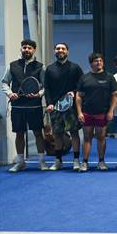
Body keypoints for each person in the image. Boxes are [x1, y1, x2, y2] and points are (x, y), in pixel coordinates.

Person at [1, 39, 47, 172]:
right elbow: (4, 82)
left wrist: (39, 94)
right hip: (17, 107)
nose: (26, 50)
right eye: (24, 47)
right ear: (21, 49)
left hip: (35, 106)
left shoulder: (40, 66)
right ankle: (20, 162)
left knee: (38, 133)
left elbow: (45, 85)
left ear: (34, 50)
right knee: (19, 134)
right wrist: (10, 93)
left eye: (29, 48)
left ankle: (42, 162)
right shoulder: (12, 65)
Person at [76, 52, 117, 172]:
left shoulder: (109, 77)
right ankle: (84, 162)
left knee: (101, 137)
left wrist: (111, 111)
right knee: (87, 137)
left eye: (100, 61)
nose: (99, 63)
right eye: (96, 61)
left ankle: (101, 162)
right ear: (91, 64)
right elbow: (78, 96)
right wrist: (79, 112)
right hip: (87, 113)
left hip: (102, 113)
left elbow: (115, 95)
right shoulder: (84, 78)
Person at [43, 42, 84, 170]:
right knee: (57, 134)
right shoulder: (50, 69)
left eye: (63, 48)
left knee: (74, 133)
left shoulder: (75, 68)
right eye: (58, 48)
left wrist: (74, 92)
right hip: (55, 108)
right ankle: (58, 161)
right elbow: (47, 88)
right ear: (54, 51)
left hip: (71, 107)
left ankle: (76, 161)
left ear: (67, 51)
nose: (60, 50)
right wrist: (49, 103)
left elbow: (82, 85)